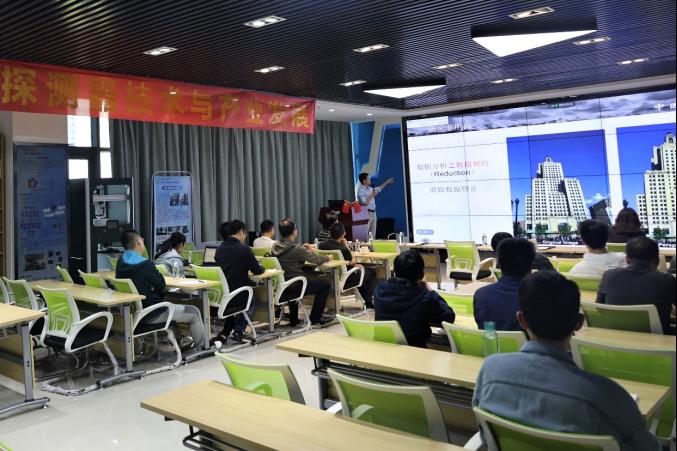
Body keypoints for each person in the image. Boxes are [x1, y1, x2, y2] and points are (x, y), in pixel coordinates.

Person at [473, 271, 659, 451]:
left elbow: (485, 434)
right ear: (578, 322)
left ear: (521, 320)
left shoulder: (490, 370)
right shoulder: (608, 396)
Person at [116, 230, 205, 349]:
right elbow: (161, 285)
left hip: (132, 314)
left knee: (170, 304)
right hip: (153, 313)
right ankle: (203, 347)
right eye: (141, 240)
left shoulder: (120, 262)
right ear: (138, 242)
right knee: (194, 311)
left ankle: (180, 342)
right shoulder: (145, 264)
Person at [374, 250, 455, 347]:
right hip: (415, 350)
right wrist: (429, 288)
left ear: (394, 271)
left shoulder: (380, 290)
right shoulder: (425, 297)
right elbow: (449, 317)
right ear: (421, 275)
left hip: (384, 347)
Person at [597, 236, 676, 334]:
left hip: (616, 337)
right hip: (657, 339)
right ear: (657, 261)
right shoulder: (666, 280)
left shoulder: (608, 275)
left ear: (627, 259)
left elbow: (599, 309)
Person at [271, 218, 335, 326]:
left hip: (282, 285)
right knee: (325, 285)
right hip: (296, 285)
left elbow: (290, 256)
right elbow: (317, 260)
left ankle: (294, 319)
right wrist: (328, 258)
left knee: (295, 277)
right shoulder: (297, 249)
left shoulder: (275, 246)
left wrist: (303, 249)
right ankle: (316, 317)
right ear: (294, 231)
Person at [214, 220, 265, 343]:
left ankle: (226, 330)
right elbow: (257, 270)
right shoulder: (244, 249)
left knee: (239, 299)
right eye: (245, 234)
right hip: (238, 294)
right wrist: (263, 267)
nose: (245, 237)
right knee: (251, 298)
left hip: (223, 295)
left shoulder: (219, 249)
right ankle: (239, 330)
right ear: (241, 232)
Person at [474, 238, 535, 331]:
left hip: (490, 341)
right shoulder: (539, 298)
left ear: (499, 264)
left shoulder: (480, 295)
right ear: (531, 265)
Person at [319, 222, 377, 307]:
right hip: (344, 279)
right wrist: (346, 245)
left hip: (328, 277)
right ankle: (368, 301)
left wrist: (353, 265)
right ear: (342, 235)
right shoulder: (342, 249)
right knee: (371, 272)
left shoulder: (321, 245)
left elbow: (348, 262)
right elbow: (353, 260)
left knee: (361, 272)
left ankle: (367, 300)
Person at [357, 172, 395, 238]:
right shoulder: (361, 191)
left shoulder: (370, 189)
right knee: (365, 234)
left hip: (373, 213)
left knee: (373, 234)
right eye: (368, 178)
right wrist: (372, 195)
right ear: (364, 180)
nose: (370, 180)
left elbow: (379, 188)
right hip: (366, 213)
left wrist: (386, 182)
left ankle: (372, 245)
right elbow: (365, 203)